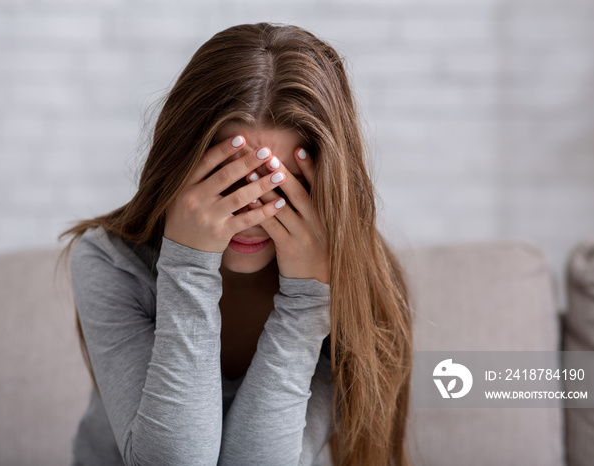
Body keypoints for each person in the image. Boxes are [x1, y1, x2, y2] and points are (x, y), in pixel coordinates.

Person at [57, 22, 413, 466]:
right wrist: (188, 265)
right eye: (227, 183)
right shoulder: (111, 263)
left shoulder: (351, 285)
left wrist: (306, 304)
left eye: (283, 189)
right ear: (181, 167)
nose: (251, 217)